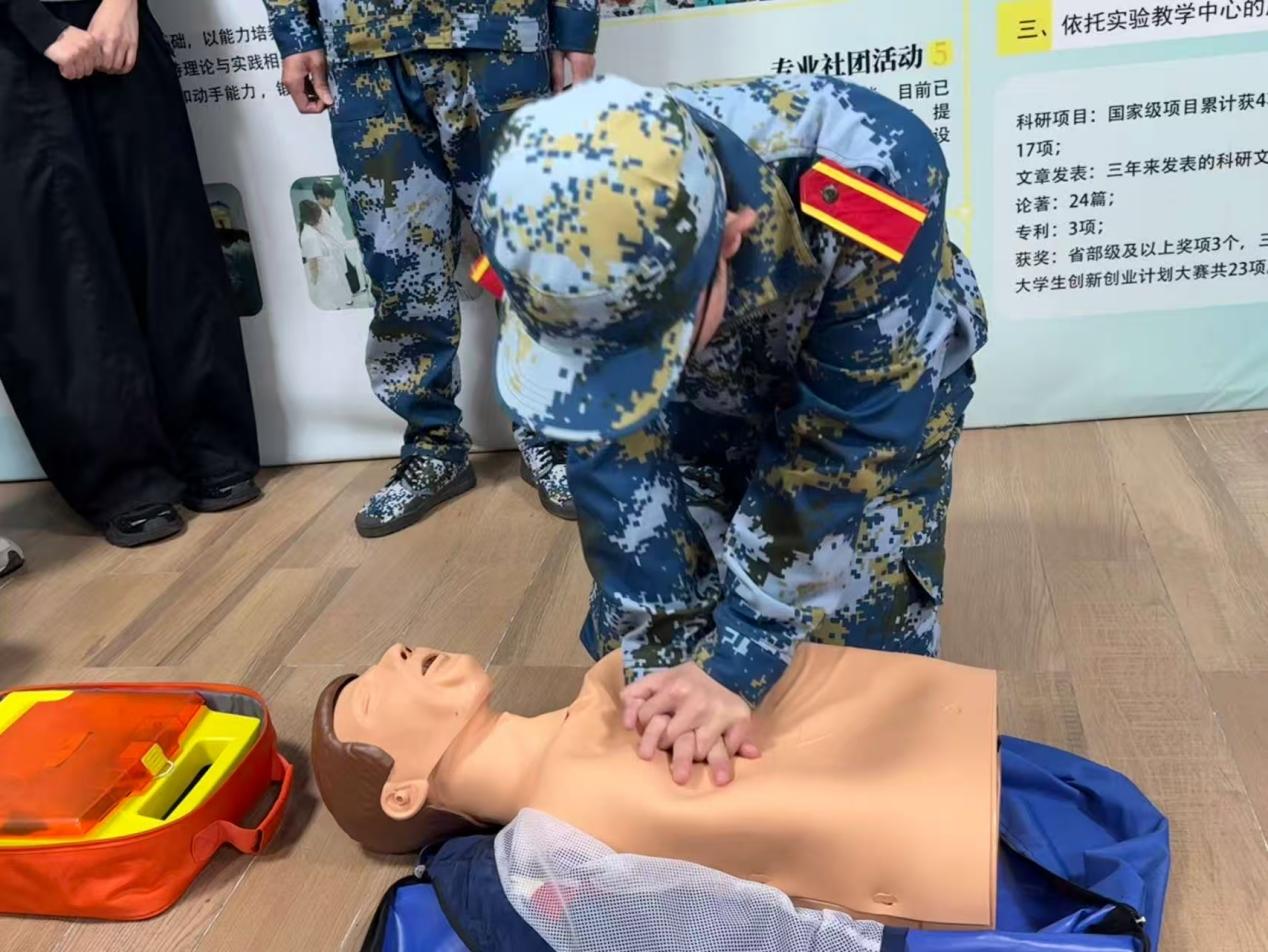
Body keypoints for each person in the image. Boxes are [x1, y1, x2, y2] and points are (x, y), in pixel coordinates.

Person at [476, 76, 988, 773]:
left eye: (643, 350)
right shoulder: (536, 224)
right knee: (640, 686)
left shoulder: (872, 173)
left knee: (860, 698)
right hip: (696, 406)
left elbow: (844, 442)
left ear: (731, 239)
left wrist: (741, 655)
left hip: (865, 400)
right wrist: (662, 651)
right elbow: (604, 433)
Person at [310, 642, 999, 929]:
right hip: (955, 832)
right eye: (372, 697)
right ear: (402, 794)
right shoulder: (561, 831)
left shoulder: (603, 685)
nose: (396, 652)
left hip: (934, 730)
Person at [262, 0, 600, 536]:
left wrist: (576, 27)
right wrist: (294, 31)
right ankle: (433, 446)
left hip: (499, 32)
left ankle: (554, 437)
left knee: (529, 253)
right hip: (364, 46)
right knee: (399, 266)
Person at [0, 0, 261, 548]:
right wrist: (41, 28)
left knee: (171, 243)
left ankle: (211, 446)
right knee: (59, 274)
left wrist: (122, 6)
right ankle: (125, 482)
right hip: (11, 50)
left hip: (117, 30)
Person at [310, 179, 364, 299]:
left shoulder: (330, 208)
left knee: (348, 269)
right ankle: (344, 296)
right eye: (329, 198)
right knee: (337, 274)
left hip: (338, 245)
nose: (332, 201)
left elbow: (338, 225)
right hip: (328, 249)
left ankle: (353, 291)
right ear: (320, 198)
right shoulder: (314, 212)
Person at [210, 200, 264, 317]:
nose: (220, 220)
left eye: (223, 216)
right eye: (216, 217)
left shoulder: (244, 244)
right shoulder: (249, 244)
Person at [299, 198, 355, 309]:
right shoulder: (310, 236)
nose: (321, 218)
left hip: (330, 275)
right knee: (330, 305)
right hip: (324, 279)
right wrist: (315, 283)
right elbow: (313, 265)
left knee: (337, 302)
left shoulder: (314, 231)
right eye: (320, 216)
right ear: (313, 217)